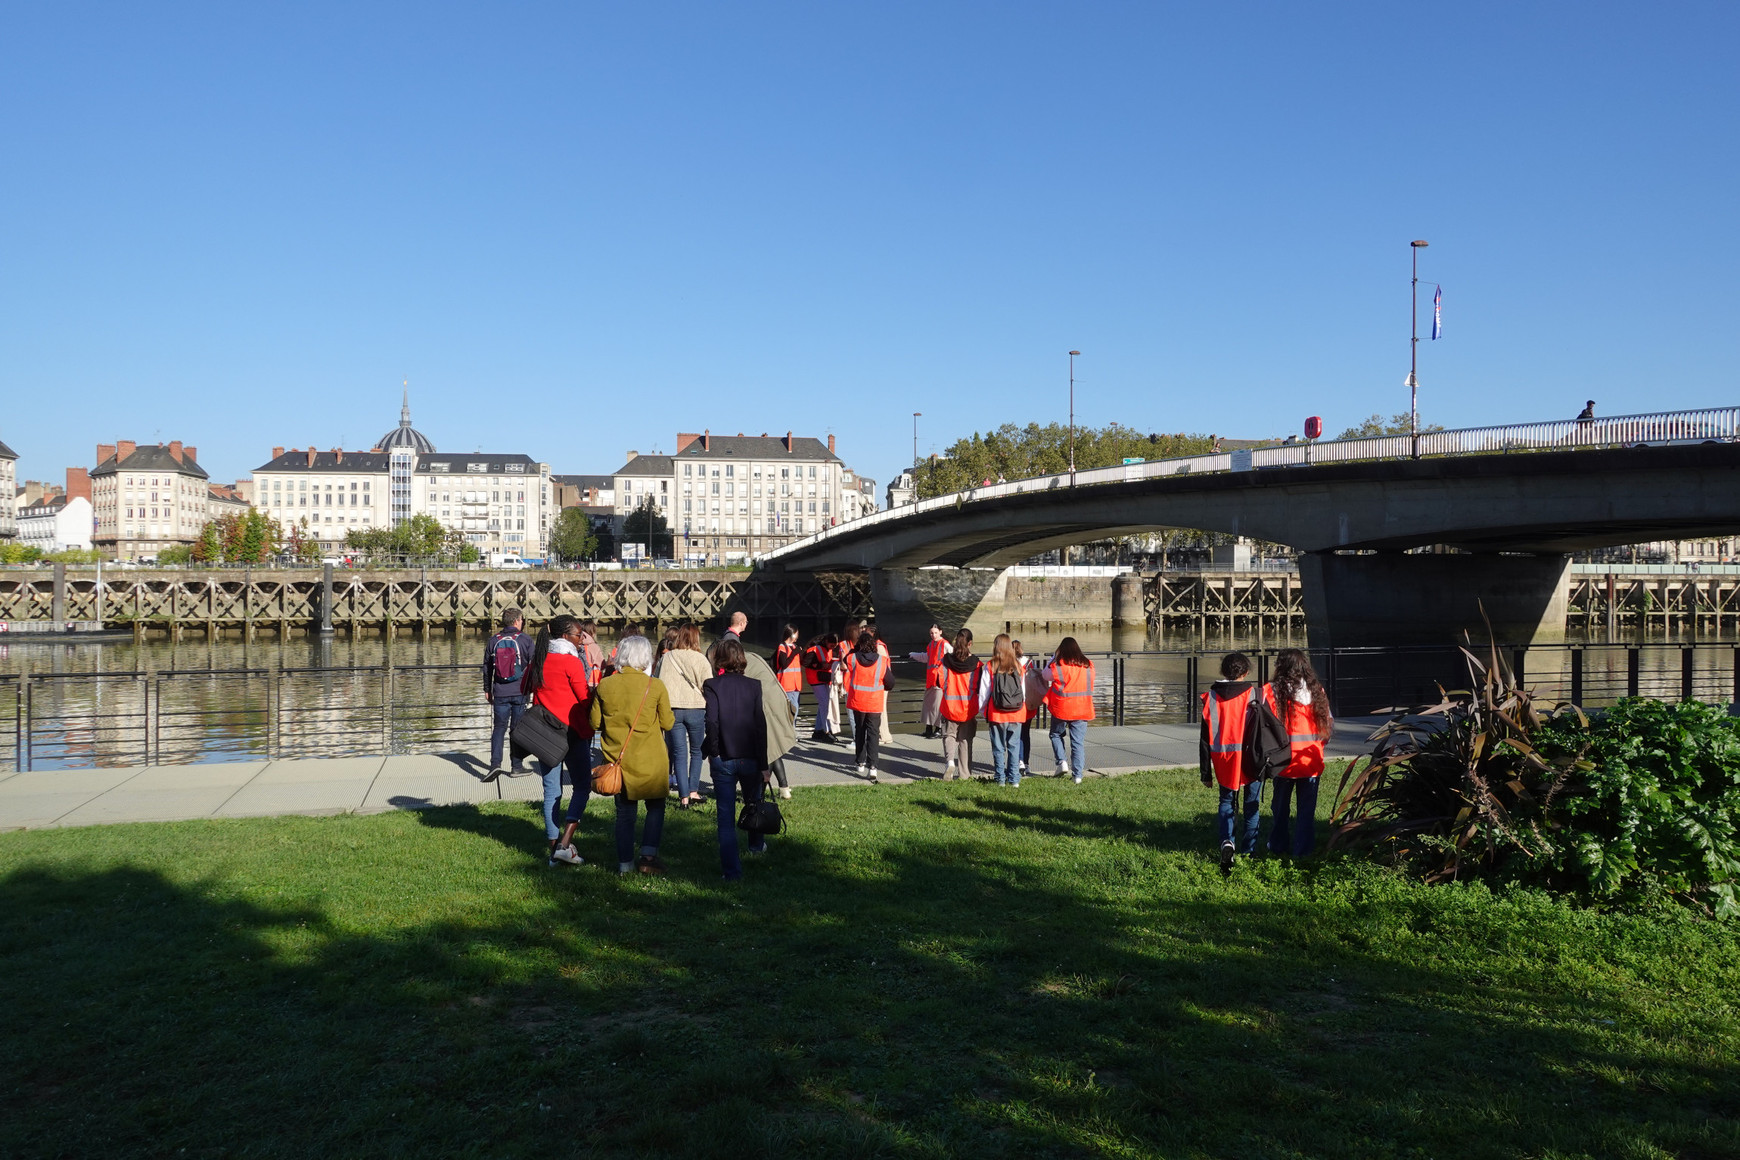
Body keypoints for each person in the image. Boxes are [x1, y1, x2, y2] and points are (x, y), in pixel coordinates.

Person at [589, 633, 675, 875]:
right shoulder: (655, 686)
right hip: (651, 760)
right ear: (646, 658)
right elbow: (668, 723)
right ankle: (648, 857)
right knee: (655, 808)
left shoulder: (605, 685)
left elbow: (594, 722)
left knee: (625, 814)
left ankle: (625, 864)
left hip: (620, 760)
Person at [524, 615, 594, 867]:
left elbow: (530, 690)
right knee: (583, 786)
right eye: (578, 635)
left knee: (551, 790)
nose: (581, 639)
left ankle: (554, 851)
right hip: (572, 732)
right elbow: (584, 699)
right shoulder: (571, 662)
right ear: (566, 636)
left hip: (544, 734)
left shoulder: (539, 660)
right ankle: (565, 843)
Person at [1200, 651, 1274, 873]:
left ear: (1223, 671)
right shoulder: (1257, 695)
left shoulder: (1211, 697)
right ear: (1247, 672)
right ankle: (1249, 851)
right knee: (1251, 805)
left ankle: (1227, 842)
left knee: (1226, 802)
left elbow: (1204, 739)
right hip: (1253, 759)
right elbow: (1268, 730)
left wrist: (1206, 773)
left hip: (1224, 759)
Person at [701, 638, 769, 880]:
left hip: (724, 757)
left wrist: (714, 750)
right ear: (741, 659)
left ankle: (731, 872)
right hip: (750, 756)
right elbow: (760, 726)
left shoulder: (712, 685)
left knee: (725, 817)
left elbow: (712, 721)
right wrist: (764, 764)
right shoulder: (754, 686)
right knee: (754, 803)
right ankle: (755, 845)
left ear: (719, 659)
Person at [1266, 648, 1332, 858]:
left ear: (1280, 666)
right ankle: (1302, 851)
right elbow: (1328, 725)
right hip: (1310, 760)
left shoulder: (1272, 691)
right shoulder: (1317, 691)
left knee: (1280, 809)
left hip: (1283, 761)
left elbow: (1263, 725)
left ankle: (1278, 846)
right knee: (1306, 811)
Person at [656, 622, 711, 808]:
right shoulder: (701, 659)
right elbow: (708, 686)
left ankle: (684, 797)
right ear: (696, 638)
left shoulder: (667, 658)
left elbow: (657, 682)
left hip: (672, 709)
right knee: (697, 751)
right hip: (696, 708)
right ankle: (694, 791)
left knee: (679, 753)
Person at [743, 640, 799, 800]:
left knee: (769, 752)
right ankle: (784, 788)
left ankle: (760, 793)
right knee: (773, 752)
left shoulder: (744, 665)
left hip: (767, 708)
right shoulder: (754, 659)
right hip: (775, 703)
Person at [483, 608, 534, 778]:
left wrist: (487, 689)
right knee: (516, 730)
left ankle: (495, 765)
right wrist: (532, 688)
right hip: (519, 691)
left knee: (499, 728)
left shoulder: (493, 640)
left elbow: (487, 668)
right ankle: (516, 766)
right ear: (517, 621)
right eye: (522, 620)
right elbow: (534, 666)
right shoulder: (525, 640)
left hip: (500, 692)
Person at [844, 624, 892, 781]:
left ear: (859, 645)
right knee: (873, 735)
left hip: (858, 702)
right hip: (874, 704)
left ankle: (860, 763)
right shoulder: (882, 661)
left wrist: (856, 648)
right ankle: (873, 768)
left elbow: (846, 658)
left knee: (860, 732)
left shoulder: (853, 659)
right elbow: (890, 683)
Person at [937, 629, 987, 779]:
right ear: (970, 643)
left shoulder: (945, 661)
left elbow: (939, 682)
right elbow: (980, 687)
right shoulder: (977, 664)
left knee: (949, 736)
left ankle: (950, 762)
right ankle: (965, 773)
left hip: (949, 706)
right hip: (968, 708)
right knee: (965, 740)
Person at [1044, 637, 1095, 783]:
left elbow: (1045, 675)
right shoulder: (1089, 665)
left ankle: (1062, 762)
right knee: (1077, 742)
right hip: (1083, 708)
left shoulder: (1059, 666)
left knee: (1055, 734)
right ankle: (1077, 775)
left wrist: (1053, 658)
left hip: (1062, 707)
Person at [984, 634, 1026, 787]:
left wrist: (984, 710)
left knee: (998, 747)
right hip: (1017, 712)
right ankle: (1014, 780)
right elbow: (1023, 692)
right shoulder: (1018, 665)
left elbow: (985, 692)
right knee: (1014, 747)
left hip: (997, 712)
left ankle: (1000, 779)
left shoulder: (990, 665)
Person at [908, 624, 950, 738]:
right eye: (931, 633)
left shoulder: (945, 644)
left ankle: (938, 729)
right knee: (928, 705)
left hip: (940, 679)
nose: (933, 635)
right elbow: (926, 657)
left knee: (937, 705)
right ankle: (928, 728)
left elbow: (953, 656)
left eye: (936, 633)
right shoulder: (931, 644)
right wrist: (913, 655)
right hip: (931, 679)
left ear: (940, 632)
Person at [1014, 639, 1045, 776]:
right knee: (1026, 734)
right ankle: (1026, 763)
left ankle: (1018, 761)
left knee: (1016, 734)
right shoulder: (1030, 662)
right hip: (1030, 703)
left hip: (1016, 703)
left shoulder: (1010, 663)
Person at [803, 632, 841, 743]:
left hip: (824, 679)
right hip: (816, 679)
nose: (833, 647)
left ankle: (818, 730)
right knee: (825, 704)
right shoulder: (815, 649)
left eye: (835, 645)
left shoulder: (825, 649)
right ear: (826, 642)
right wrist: (820, 665)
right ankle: (826, 731)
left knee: (823, 704)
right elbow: (806, 662)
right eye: (831, 645)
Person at [771, 623, 805, 726]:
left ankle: (792, 733)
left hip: (796, 685)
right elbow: (784, 664)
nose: (798, 636)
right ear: (792, 634)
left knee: (795, 710)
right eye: (796, 633)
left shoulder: (794, 647)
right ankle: (790, 734)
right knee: (792, 711)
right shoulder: (782, 647)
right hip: (787, 684)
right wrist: (795, 652)